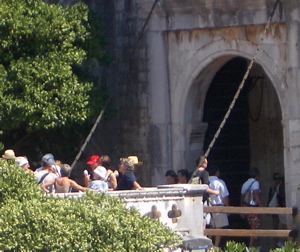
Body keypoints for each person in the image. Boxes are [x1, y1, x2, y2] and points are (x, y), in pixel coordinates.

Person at [208, 165, 230, 247]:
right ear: (217, 172)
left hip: (208, 207)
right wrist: (227, 207)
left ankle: (208, 246)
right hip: (219, 206)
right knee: (219, 228)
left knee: (210, 227)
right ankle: (216, 246)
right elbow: (224, 196)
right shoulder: (220, 182)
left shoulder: (206, 181)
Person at [241, 167, 262, 248]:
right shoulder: (255, 183)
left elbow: (241, 198)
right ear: (256, 175)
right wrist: (261, 206)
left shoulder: (245, 184)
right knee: (255, 228)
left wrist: (242, 210)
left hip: (246, 207)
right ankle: (250, 247)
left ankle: (257, 246)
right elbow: (256, 195)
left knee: (254, 226)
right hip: (253, 207)